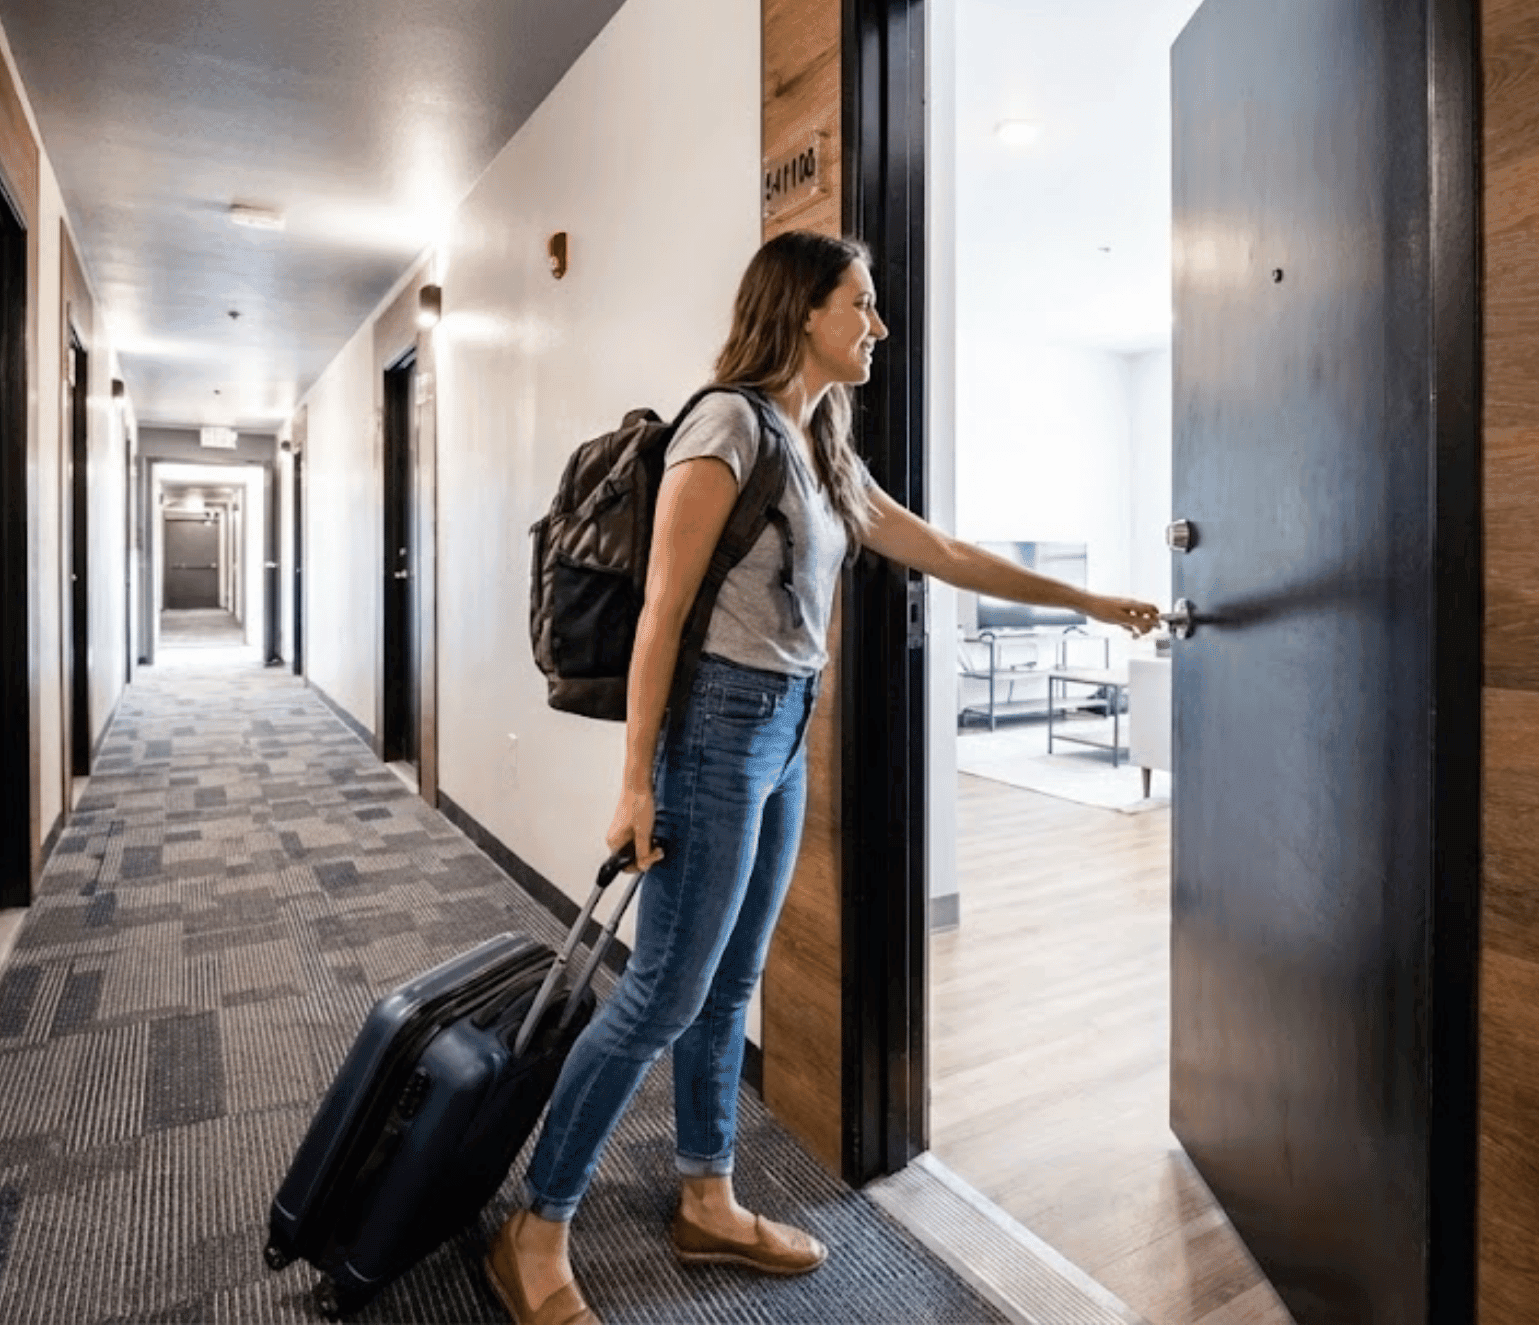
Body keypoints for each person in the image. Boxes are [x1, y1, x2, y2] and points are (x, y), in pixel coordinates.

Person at [484, 230, 1161, 1325]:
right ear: (803, 309)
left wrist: (1090, 603)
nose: (876, 326)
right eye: (863, 303)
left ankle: (705, 1194)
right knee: (661, 988)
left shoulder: (819, 443)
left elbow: (938, 550)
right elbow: (661, 609)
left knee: (729, 980)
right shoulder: (726, 424)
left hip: (785, 727)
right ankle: (536, 1226)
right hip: (712, 730)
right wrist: (633, 780)